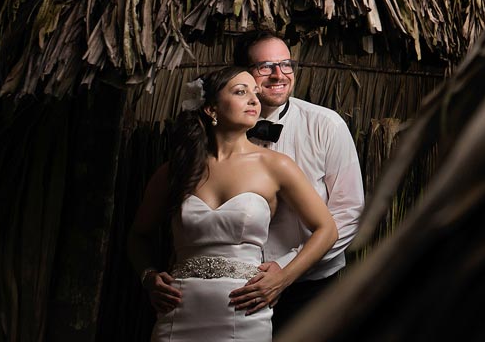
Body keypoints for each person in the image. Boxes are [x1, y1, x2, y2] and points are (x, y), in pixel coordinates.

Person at [128, 66, 337, 342]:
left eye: (255, 92)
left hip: (243, 311)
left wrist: (283, 278)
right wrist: (149, 277)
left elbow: (327, 230)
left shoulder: (275, 165)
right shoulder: (175, 170)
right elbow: (137, 236)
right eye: (241, 92)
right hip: (178, 311)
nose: (254, 100)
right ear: (211, 109)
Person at [228, 29, 365, 331]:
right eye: (266, 67)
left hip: (311, 288)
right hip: (235, 288)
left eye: (286, 64)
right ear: (243, 73)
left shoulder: (326, 125)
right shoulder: (221, 130)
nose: (279, 75)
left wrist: (286, 271)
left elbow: (348, 212)